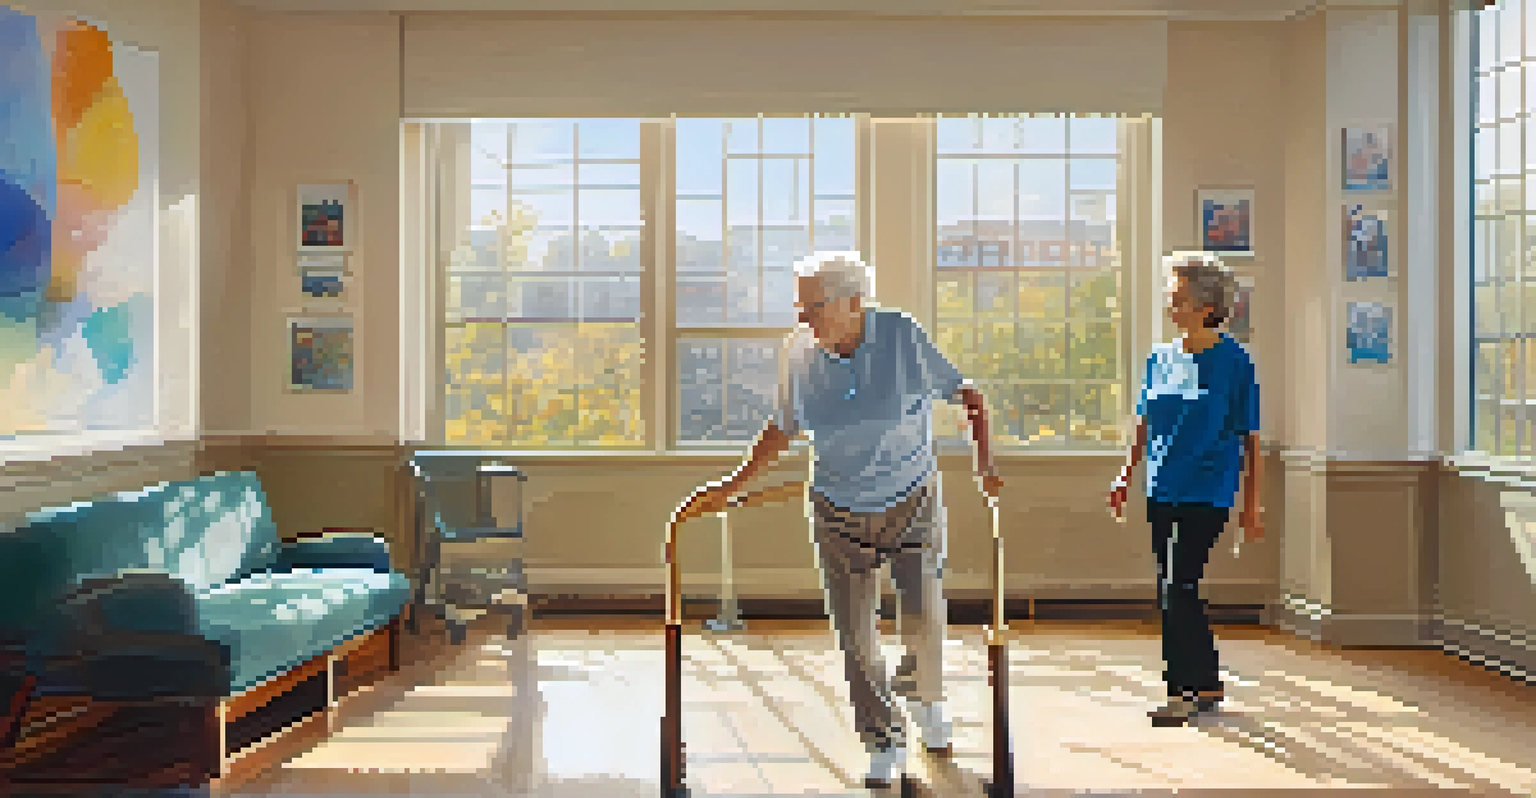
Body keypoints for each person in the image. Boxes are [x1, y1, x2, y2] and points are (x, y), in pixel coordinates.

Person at [674, 252, 1002, 789]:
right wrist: (731, 485)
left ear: (854, 303)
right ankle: (881, 739)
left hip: (910, 500)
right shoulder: (800, 352)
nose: (803, 319)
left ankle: (923, 695)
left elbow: (969, 396)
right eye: (799, 307)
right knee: (855, 635)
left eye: (814, 307)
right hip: (836, 508)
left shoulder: (900, 335)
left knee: (923, 617)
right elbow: (783, 427)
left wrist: (983, 461)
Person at [1108, 251, 1264, 727]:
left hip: (1209, 491)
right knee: (1174, 589)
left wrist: (1250, 506)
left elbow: (1251, 438)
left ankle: (1181, 693)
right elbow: (1144, 421)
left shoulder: (1236, 362)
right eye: (1169, 297)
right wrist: (1125, 474)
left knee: (1179, 586)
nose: (1169, 306)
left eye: (1177, 298)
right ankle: (1208, 680)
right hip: (1161, 487)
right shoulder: (1160, 358)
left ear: (1206, 305)